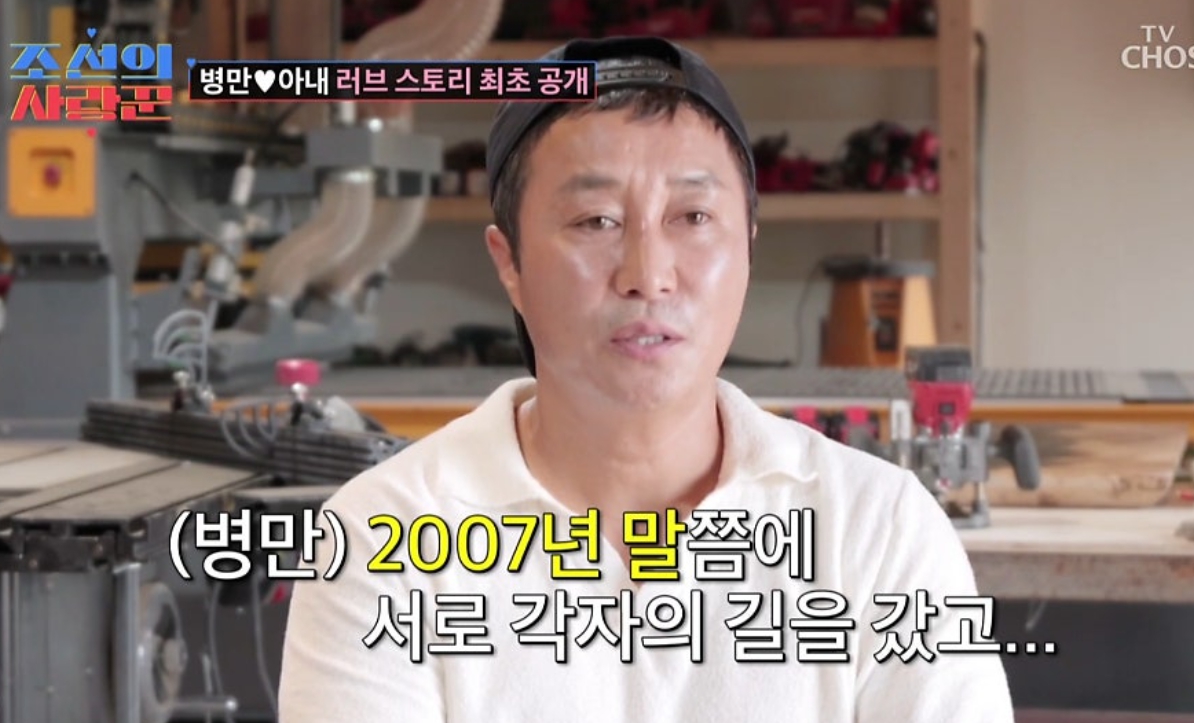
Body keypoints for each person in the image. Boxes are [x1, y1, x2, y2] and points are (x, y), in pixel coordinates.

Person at [279, 36, 1015, 722]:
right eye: (595, 221)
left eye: (692, 215)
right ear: (509, 263)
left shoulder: (878, 527)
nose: (648, 275)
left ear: (747, 246)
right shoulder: (380, 539)